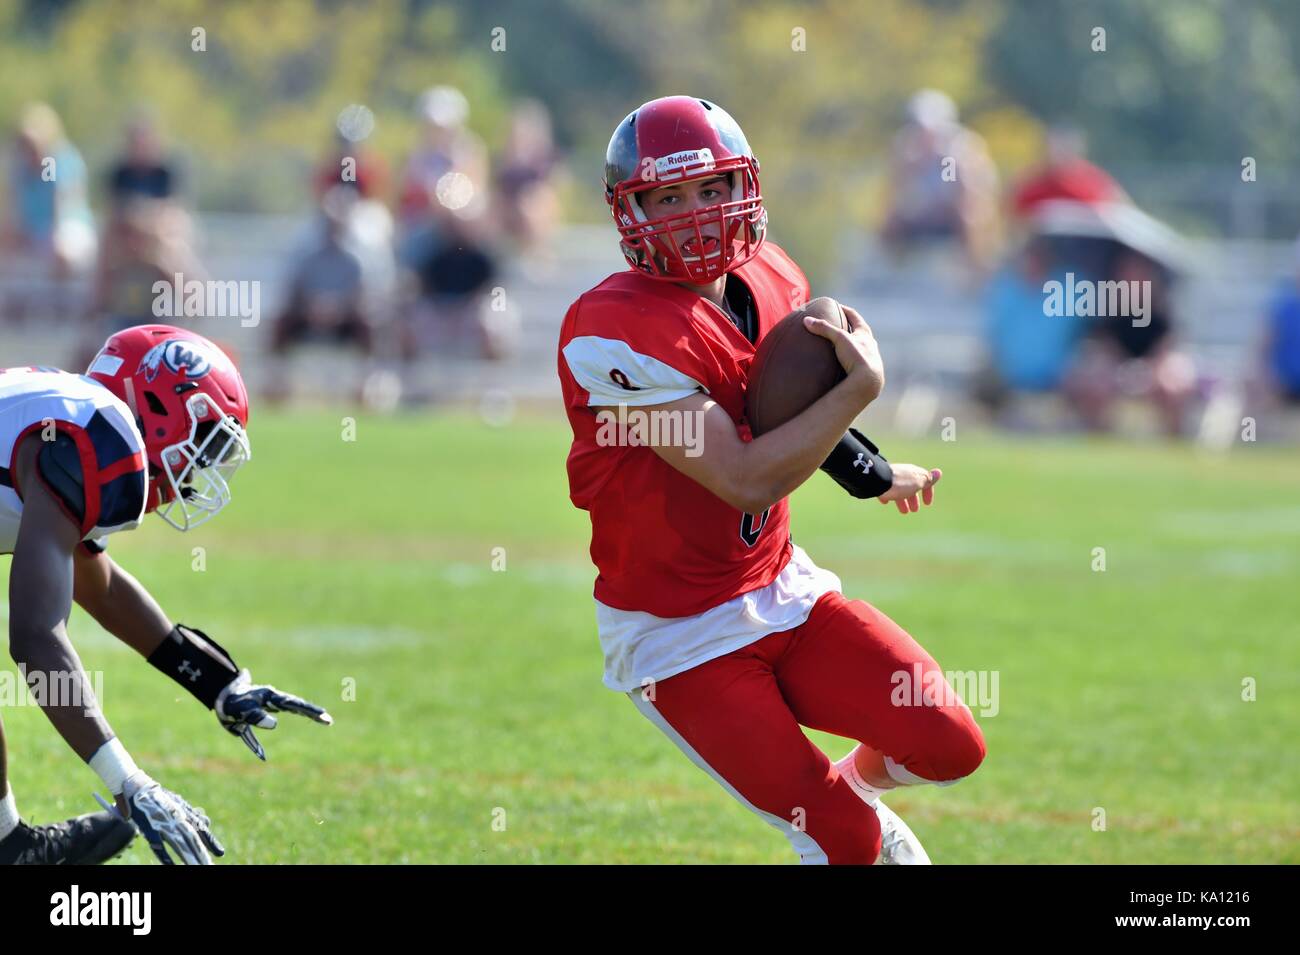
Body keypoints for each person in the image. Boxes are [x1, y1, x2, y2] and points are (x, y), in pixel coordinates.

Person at [557, 96, 985, 865]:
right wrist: (862, 387)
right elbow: (746, 477)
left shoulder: (773, 276)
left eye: (711, 188)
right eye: (668, 197)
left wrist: (872, 469)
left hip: (783, 585)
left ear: (744, 187)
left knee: (949, 740)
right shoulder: (613, 332)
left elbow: (780, 408)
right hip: (680, 635)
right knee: (841, 840)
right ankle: (845, 817)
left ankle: (854, 789)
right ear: (632, 211)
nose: (695, 213)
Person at [0, 325, 331, 865]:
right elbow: (35, 639)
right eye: (204, 442)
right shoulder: (98, 435)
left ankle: (9, 849)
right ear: (155, 404)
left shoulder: (74, 416)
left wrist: (216, 683)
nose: (197, 472)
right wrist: (130, 782)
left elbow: (98, 586)